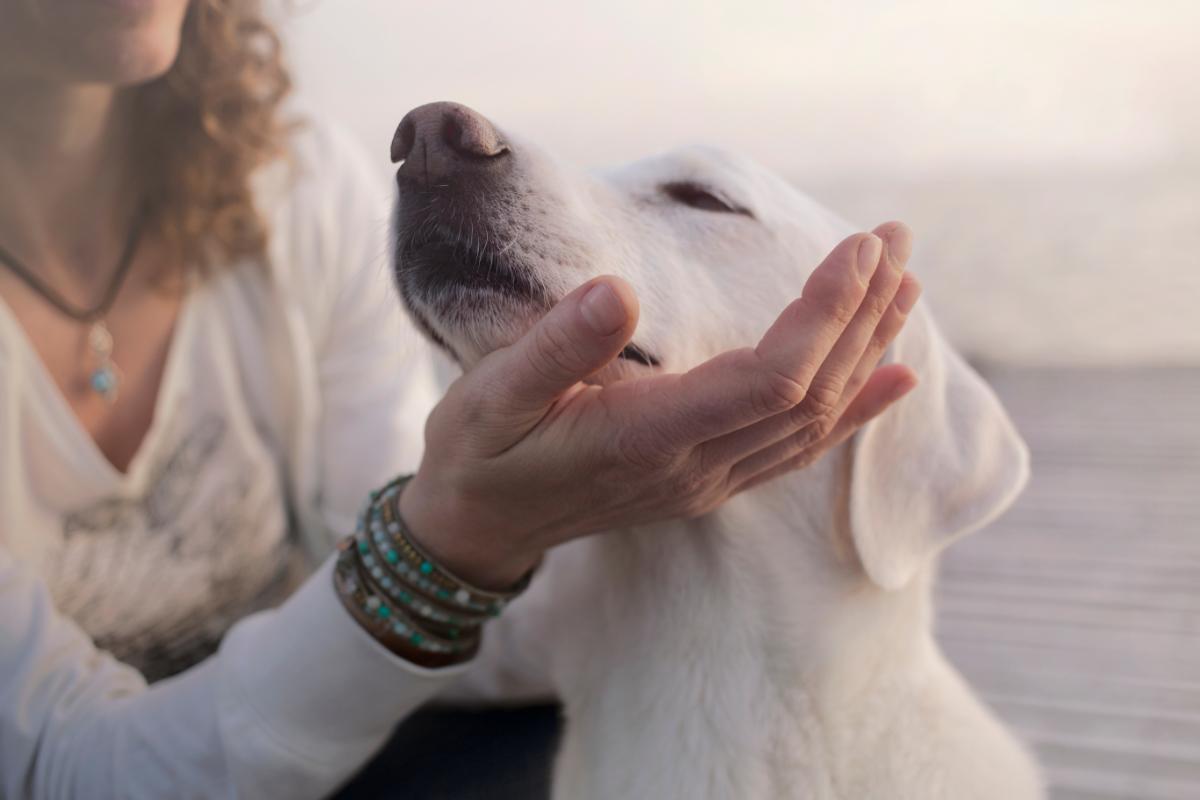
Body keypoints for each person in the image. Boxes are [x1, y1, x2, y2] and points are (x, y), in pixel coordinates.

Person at [0, 0, 922, 797]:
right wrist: (456, 536)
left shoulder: (294, 187)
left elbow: (364, 540)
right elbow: (61, 774)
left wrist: (696, 519)